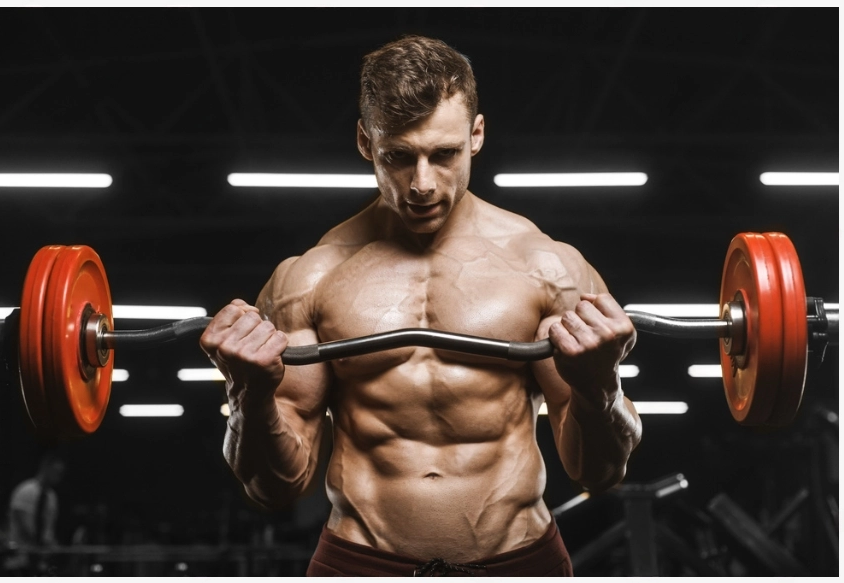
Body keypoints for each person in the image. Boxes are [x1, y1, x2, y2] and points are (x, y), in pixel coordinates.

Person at [201, 35, 642, 577]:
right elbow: (274, 487)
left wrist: (600, 386)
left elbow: (597, 474)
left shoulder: (548, 270)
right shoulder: (309, 279)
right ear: (366, 142)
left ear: (476, 135)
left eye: (445, 154)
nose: (422, 185)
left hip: (518, 559)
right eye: (399, 157)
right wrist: (248, 392)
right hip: (360, 561)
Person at [5, 452, 66, 574]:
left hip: (42, 562)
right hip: (20, 561)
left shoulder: (51, 497)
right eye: (56, 472)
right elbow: (27, 529)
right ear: (46, 468)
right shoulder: (25, 491)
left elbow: (49, 529)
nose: (59, 476)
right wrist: (47, 545)